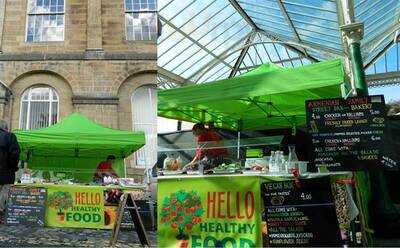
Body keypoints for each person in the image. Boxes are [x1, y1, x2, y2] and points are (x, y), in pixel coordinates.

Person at [0, 120, 20, 223]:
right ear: (6, 128)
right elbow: (14, 154)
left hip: (5, 171)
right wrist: (13, 167)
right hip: (5, 172)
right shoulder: (10, 136)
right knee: (4, 193)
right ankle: (1, 214)